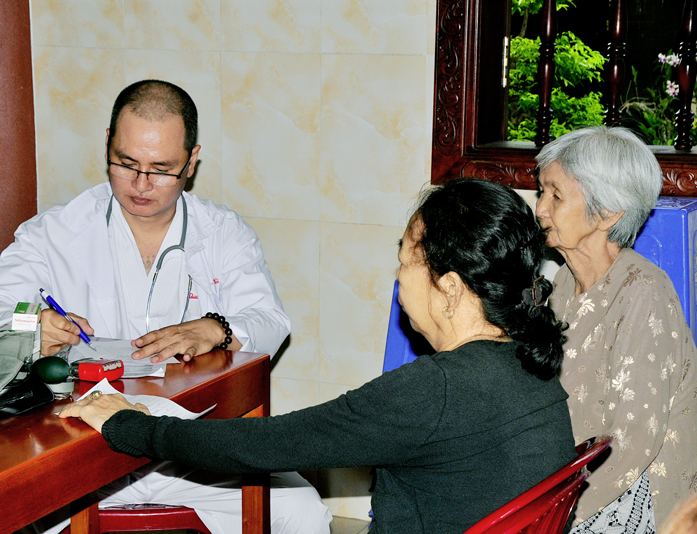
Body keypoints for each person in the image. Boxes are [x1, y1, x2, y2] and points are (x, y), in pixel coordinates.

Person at [60, 179, 578, 534]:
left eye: (404, 261)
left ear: (449, 288)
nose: (398, 278)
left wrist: (131, 425)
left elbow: (264, 446)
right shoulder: (530, 366)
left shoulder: (437, 390)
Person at [0, 80, 329, 534]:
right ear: (107, 144)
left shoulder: (223, 233)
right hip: (78, 445)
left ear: (191, 161)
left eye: (162, 169)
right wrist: (33, 324)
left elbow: (271, 322)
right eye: (126, 163)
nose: (141, 184)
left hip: (191, 446)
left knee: (303, 512)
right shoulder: (55, 232)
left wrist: (216, 328)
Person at [537, 125, 697, 533]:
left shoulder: (644, 293)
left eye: (556, 196)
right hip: (568, 483)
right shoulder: (563, 283)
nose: (540, 209)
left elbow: (631, 444)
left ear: (608, 214)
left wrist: (555, 516)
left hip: (631, 496)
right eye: (542, 192)